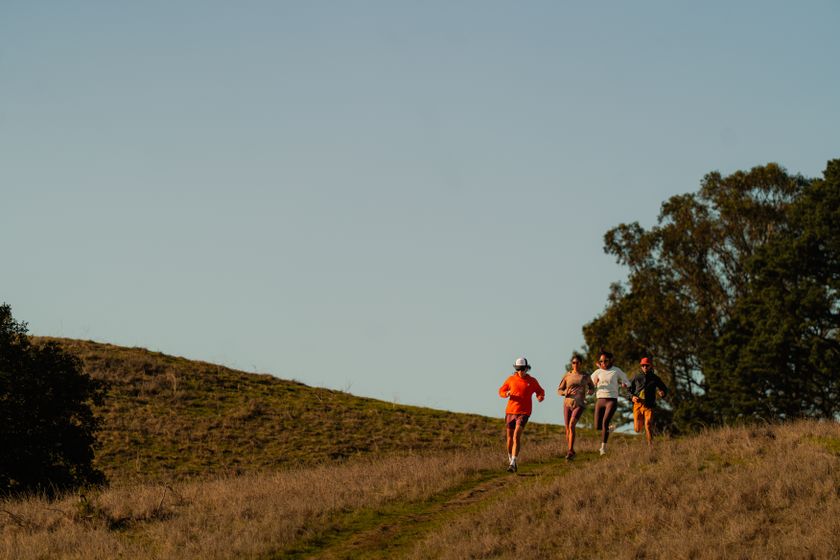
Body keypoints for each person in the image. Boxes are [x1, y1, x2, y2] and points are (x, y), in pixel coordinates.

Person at [498, 357, 545, 472]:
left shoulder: (532, 381)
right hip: (510, 411)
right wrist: (506, 393)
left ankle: (513, 463)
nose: (520, 371)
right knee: (509, 438)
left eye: (522, 369)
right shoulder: (510, 379)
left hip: (524, 413)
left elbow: (540, 391)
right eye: (518, 369)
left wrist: (540, 397)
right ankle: (511, 460)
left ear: (526, 368)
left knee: (516, 436)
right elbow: (501, 391)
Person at [590, 351, 630, 456]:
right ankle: (608, 430)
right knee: (597, 426)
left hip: (611, 400)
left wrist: (624, 384)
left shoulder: (616, 371)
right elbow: (589, 384)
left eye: (605, 361)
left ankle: (603, 448)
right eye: (601, 361)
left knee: (605, 422)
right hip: (600, 400)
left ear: (610, 360)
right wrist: (594, 383)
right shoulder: (597, 372)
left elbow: (628, 382)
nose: (603, 363)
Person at [557, 354, 595, 460]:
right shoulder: (567, 375)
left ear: (581, 364)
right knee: (567, 428)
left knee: (572, 424)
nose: (575, 365)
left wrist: (590, 391)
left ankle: (570, 451)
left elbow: (592, 387)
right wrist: (565, 392)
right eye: (573, 363)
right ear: (571, 364)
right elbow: (559, 390)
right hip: (567, 403)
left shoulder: (585, 376)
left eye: (577, 363)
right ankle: (571, 450)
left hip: (579, 403)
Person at [629, 357, 669, 446]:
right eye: (643, 365)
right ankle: (642, 426)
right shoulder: (636, 377)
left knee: (648, 424)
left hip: (649, 405)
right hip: (638, 404)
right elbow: (629, 390)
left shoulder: (655, 378)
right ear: (641, 366)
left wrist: (662, 393)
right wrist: (632, 397)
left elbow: (664, 388)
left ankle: (650, 445)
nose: (645, 367)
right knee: (637, 429)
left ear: (650, 366)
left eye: (646, 365)